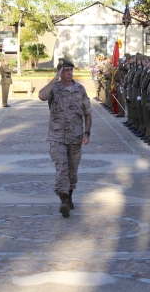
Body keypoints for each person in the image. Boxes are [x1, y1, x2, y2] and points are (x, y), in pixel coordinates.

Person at [38, 58, 92, 218]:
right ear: (60, 72)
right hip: (57, 137)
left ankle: (69, 197)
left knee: (72, 171)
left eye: (70, 70)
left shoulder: (80, 89)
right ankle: (63, 200)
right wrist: (55, 78)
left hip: (75, 137)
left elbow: (88, 113)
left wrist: (87, 133)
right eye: (65, 70)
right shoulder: (54, 89)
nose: (69, 73)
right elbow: (41, 96)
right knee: (61, 168)